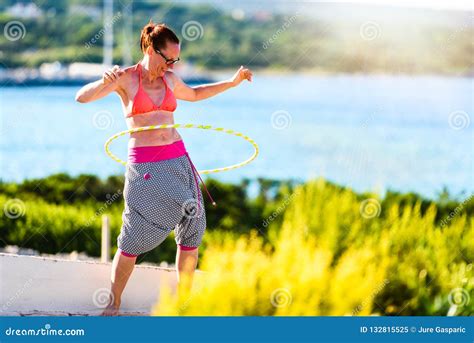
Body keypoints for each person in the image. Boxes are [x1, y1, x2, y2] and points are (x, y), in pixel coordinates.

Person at [75, 21, 252, 316]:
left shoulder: (170, 80)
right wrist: (104, 81)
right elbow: (81, 97)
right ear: (149, 49)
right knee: (133, 236)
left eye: (175, 60)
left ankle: (184, 301)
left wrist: (231, 82)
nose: (171, 65)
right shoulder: (126, 79)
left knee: (193, 223)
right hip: (145, 167)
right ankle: (113, 301)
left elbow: (196, 93)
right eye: (167, 59)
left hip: (179, 161)